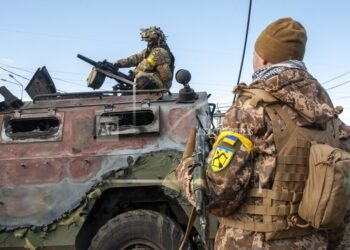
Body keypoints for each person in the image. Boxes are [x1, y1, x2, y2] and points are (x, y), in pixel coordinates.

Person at [176, 17, 350, 249]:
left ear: (265, 59)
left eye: (255, 55)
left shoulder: (250, 108)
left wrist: (187, 169)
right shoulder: (329, 116)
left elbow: (216, 196)